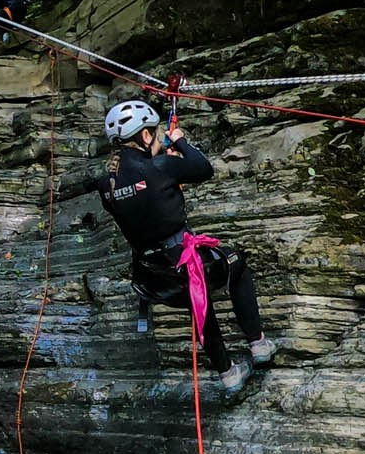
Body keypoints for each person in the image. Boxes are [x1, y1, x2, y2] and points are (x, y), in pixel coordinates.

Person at [96, 98, 274, 393]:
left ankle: (227, 373)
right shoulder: (161, 166)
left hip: (153, 278)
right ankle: (258, 344)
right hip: (183, 265)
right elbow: (203, 169)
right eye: (155, 133)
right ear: (145, 136)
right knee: (235, 264)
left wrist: (164, 172)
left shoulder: (107, 186)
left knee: (195, 297)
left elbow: (142, 197)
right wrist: (179, 141)